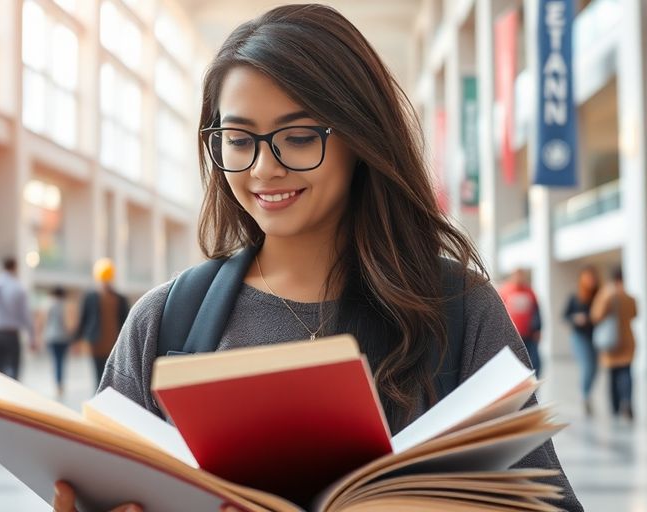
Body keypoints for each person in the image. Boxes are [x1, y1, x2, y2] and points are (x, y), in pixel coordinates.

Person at [53, 5, 580, 511]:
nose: (263, 168)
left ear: (361, 137)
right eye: (238, 140)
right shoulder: (166, 321)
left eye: (299, 137)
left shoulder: (455, 310)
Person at [0, 257, 37, 380]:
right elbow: (25, 315)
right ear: (15, 267)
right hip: (11, 335)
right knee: (14, 371)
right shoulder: (18, 287)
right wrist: (32, 336)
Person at [73, 259, 129, 390]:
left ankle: (108, 396)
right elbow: (83, 319)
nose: (105, 283)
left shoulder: (120, 299)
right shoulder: (90, 297)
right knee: (98, 375)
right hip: (96, 343)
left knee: (113, 375)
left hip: (115, 344)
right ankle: (100, 397)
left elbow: (126, 321)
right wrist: (76, 340)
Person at [591, 267, 637, 420]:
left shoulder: (607, 295)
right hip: (627, 339)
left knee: (612, 375)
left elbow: (595, 315)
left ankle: (615, 407)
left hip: (611, 341)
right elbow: (635, 313)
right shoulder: (629, 296)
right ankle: (628, 401)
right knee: (626, 372)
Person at [564, 266, 599, 416]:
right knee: (587, 364)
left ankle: (587, 393)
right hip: (579, 336)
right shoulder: (575, 297)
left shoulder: (598, 296)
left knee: (595, 368)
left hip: (595, 336)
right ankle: (585, 395)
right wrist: (576, 318)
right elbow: (565, 316)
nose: (590, 281)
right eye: (587, 278)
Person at [499, 268, 543, 377]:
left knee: (535, 362)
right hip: (512, 336)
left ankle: (532, 387)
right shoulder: (505, 291)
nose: (519, 278)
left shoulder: (529, 291)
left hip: (529, 335)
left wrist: (538, 329)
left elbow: (536, 311)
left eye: (521, 275)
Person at [38, 286, 75, 398]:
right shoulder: (66, 305)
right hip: (63, 337)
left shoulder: (47, 304)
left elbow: (43, 320)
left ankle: (57, 383)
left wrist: (40, 335)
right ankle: (60, 383)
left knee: (55, 360)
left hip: (51, 336)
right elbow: (69, 322)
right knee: (61, 361)